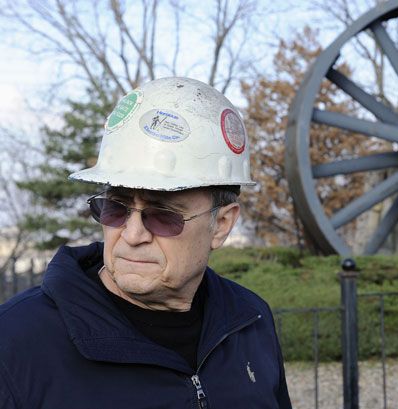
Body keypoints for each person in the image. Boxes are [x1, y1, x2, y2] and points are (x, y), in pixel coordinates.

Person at [0, 77, 292, 409]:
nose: (132, 234)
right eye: (115, 209)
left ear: (221, 225)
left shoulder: (250, 322)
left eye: (162, 214)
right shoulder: (14, 343)